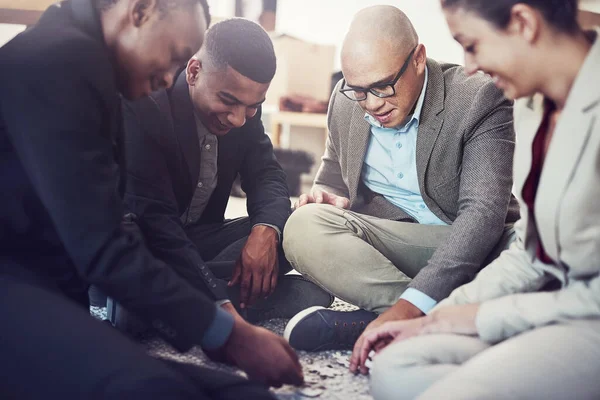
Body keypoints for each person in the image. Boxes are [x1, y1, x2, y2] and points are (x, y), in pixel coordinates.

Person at [0, 0, 303, 397]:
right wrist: (231, 334)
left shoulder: (88, 61)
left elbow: (267, 177)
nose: (171, 75)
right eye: (177, 57)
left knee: (238, 392)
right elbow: (107, 244)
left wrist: (264, 234)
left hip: (51, 286)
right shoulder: (58, 61)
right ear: (140, 11)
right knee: (156, 387)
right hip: (20, 289)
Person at [355, 1, 600, 399]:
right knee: (393, 366)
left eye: (471, 45)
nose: (468, 66)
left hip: (590, 321)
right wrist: (434, 317)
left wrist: (482, 317)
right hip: (548, 310)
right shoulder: (534, 104)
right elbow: (529, 251)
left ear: (523, 22)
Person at [282, 5, 519, 352]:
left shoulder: (478, 97)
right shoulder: (346, 100)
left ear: (419, 58)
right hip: (395, 244)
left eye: (383, 86)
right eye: (358, 89)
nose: (371, 104)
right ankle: (431, 319)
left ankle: (391, 319)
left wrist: (409, 306)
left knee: (541, 261)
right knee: (303, 224)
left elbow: (482, 216)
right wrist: (330, 196)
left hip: (474, 245)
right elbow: (332, 174)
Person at [114, 17, 332, 329]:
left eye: (253, 107)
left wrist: (265, 231)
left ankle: (167, 304)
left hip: (200, 240)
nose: (240, 119)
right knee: (133, 265)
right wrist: (220, 300)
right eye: (228, 101)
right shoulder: (146, 105)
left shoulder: (242, 107)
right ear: (193, 72)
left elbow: (266, 174)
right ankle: (238, 300)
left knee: (294, 230)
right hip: (145, 241)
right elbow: (155, 220)